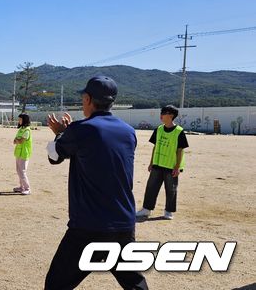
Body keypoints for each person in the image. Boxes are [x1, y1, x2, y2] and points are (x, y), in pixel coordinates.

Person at [44, 76, 147, 289]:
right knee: (135, 284)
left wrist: (61, 134)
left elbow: (54, 157)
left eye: (83, 97)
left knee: (56, 284)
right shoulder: (129, 132)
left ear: (88, 99)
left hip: (88, 226)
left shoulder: (82, 129)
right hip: (123, 224)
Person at [136, 105, 188, 220]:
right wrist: (151, 163)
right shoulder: (158, 129)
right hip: (157, 164)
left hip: (171, 166)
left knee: (171, 189)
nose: (161, 115)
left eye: (164, 113)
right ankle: (146, 209)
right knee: (151, 187)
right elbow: (155, 147)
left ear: (171, 115)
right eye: (162, 112)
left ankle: (168, 211)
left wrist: (177, 167)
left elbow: (180, 150)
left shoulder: (179, 132)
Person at [13, 113, 33, 195]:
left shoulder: (27, 130)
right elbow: (15, 140)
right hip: (18, 152)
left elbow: (21, 140)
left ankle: (27, 188)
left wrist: (18, 140)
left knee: (22, 171)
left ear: (24, 120)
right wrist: (17, 140)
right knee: (18, 170)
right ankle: (21, 187)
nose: (19, 121)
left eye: (20, 119)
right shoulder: (21, 129)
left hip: (24, 153)